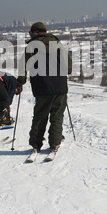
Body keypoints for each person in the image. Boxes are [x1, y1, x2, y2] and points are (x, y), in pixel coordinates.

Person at [17, 22, 72, 154]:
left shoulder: (31, 47)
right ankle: (55, 142)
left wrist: (20, 83)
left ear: (34, 32)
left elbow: (22, 67)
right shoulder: (57, 44)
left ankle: (36, 143)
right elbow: (68, 66)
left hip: (42, 87)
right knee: (57, 116)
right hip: (60, 86)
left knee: (40, 116)